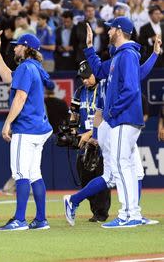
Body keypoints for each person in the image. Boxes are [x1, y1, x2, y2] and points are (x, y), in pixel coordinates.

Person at [64, 18, 161, 229]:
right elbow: (98, 70)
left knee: (121, 167)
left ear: (120, 30)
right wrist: (89, 47)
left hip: (122, 118)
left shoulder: (126, 54)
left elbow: (132, 89)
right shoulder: (121, 55)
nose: (107, 31)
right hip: (122, 119)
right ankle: (132, 213)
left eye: (111, 28)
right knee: (126, 168)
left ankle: (129, 214)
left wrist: (111, 112)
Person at [0, 33, 53, 231]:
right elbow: (8, 77)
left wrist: (7, 123)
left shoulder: (25, 67)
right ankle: (41, 219)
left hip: (26, 128)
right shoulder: (34, 67)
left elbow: (19, 97)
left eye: (18, 46)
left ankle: (19, 219)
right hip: (40, 129)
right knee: (34, 173)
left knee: (20, 173)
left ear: (27, 48)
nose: (15, 48)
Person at [71, 61, 111, 223]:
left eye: (87, 76)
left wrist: (90, 134)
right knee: (85, 177)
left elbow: (107, 116)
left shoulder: (105, 88)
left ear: (96, 73)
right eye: (82, 77)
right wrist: (73, 131)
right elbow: (73, 114)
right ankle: (95, 209)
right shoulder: (79, 91)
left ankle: (101, 213)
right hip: (84, 143)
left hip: (101, 141)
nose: (85, 80)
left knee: (101, 175)